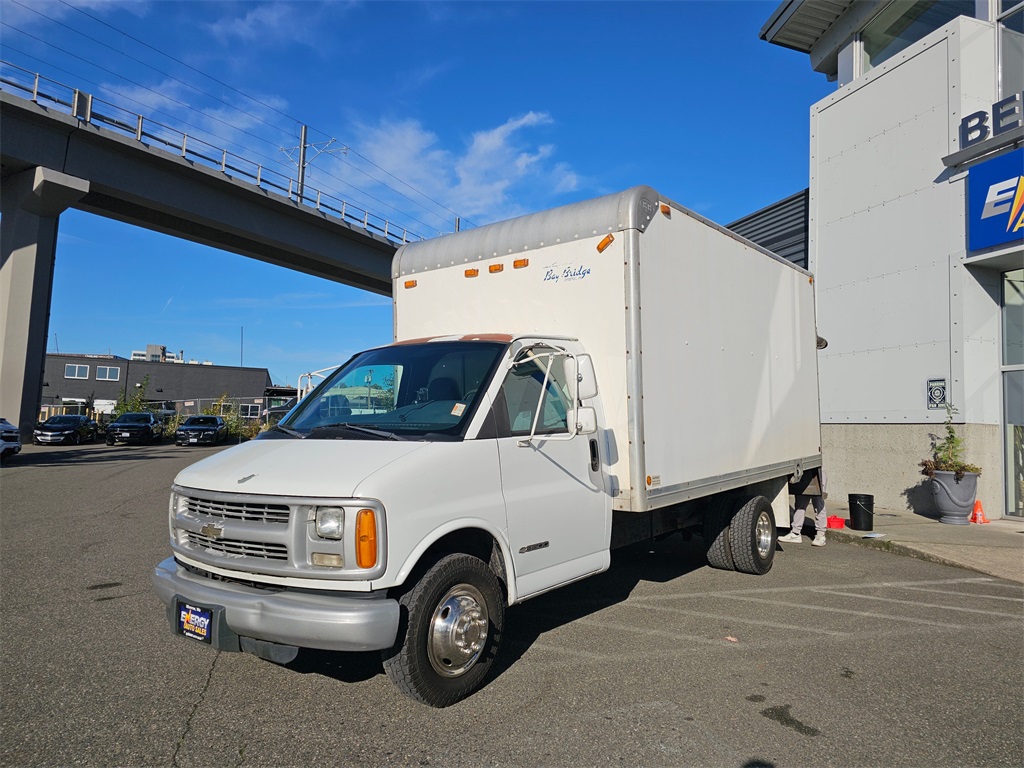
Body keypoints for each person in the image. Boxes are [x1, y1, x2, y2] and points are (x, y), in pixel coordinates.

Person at [779, 468, 828, 547]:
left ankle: (821, 534)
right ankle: (795, 533)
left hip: (817, 473)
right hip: (802, 474)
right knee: (800, 504)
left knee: (818, 504)